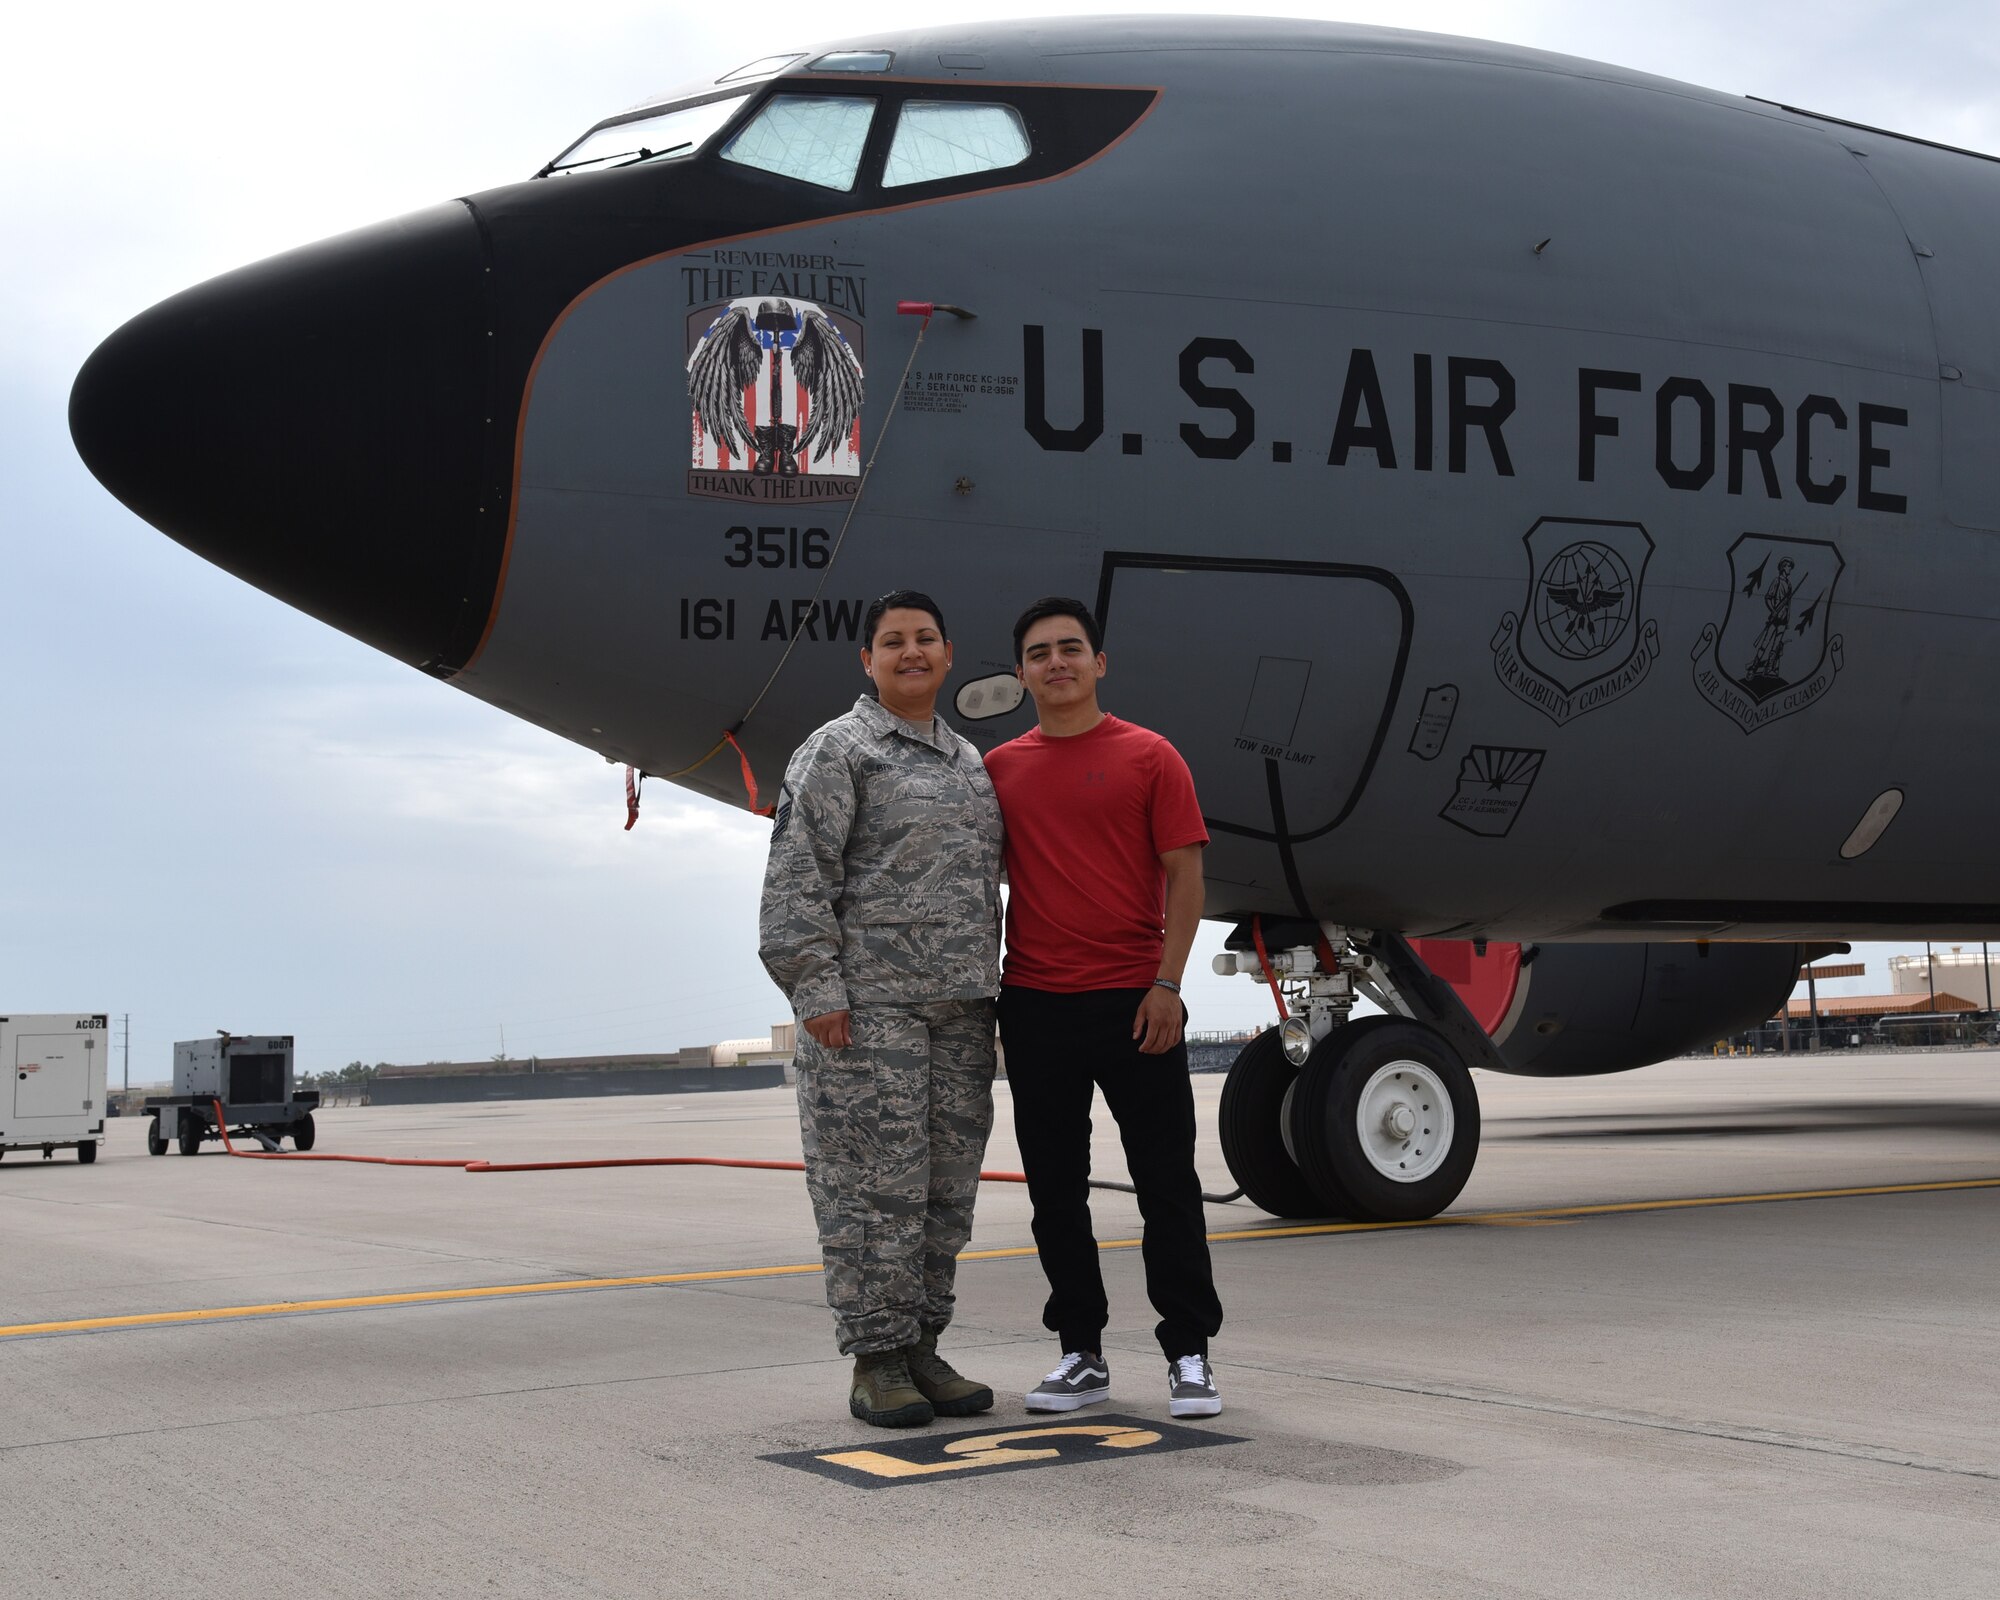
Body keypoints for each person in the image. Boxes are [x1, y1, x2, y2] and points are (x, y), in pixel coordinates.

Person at [758, 590, 1005, 1428]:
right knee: (873, 1190)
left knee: (943, 1194)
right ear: (867, 660)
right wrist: (817, 992)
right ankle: (876, 1360)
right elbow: (798, 878)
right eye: (892, 641)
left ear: (947, 654)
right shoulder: (840, 751)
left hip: (961, 1016)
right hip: (871, 1019)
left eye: (925, 639)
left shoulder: (968, 763)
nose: (911, 652)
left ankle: (922, 1346)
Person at [983, 596, 1225, 1419]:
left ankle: (1189, 1354)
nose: (1057, 663)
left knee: (1167, 1186)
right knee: (1056, 1192)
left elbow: (1187, 877)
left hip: (1136, 1001)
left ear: (1100, 663)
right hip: (1037, 1005)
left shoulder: (1152, 757)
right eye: (1040, 653)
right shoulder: (999, 769)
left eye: (1072, 648)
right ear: (1020, 674)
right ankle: (1080, 1353)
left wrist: (1169, 984)